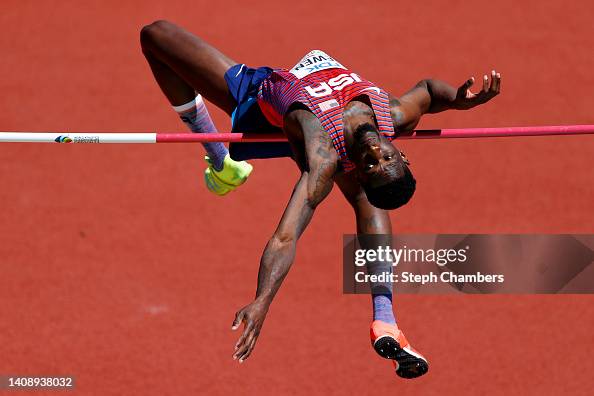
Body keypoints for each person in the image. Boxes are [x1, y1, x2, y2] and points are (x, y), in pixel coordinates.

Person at [140, 20, 501, 378]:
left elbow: (286, 235)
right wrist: (458, 100)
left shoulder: (326, 155)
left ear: (359, 167)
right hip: (306, 121)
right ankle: (385, 319)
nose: (375, 152)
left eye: (371, 164)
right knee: (156, 35)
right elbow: (428, 90)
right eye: (387, 157)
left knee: (154, 36)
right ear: (401, 153)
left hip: (264, 105)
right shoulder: (393, 116)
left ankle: (220, 160)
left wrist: (262, 300)